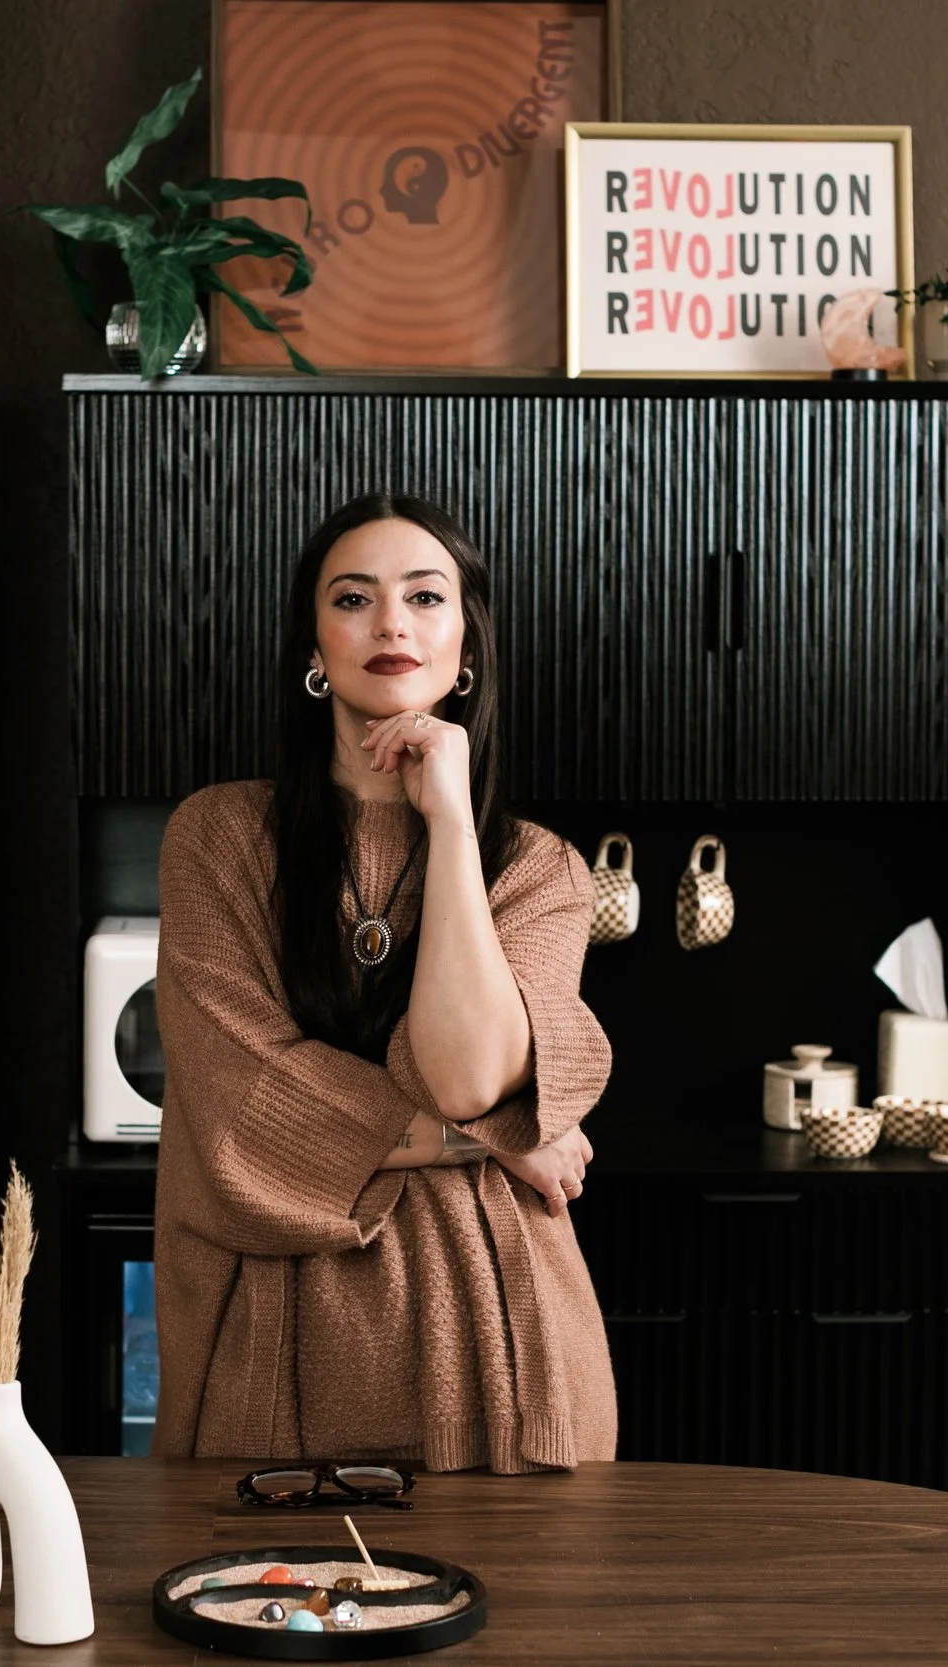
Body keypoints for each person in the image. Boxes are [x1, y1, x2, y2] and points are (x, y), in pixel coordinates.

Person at [151, 492, 616, 1475]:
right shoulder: (219, 839)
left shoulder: (537, 869)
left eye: (425, 596)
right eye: (354, 597)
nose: (392, 621)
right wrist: (500, 1137)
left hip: (507, 1342)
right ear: (313, 649)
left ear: (467, 648)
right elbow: (247, 1106)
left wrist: (448, 820)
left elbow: (463, 1071)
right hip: (274, 1346)